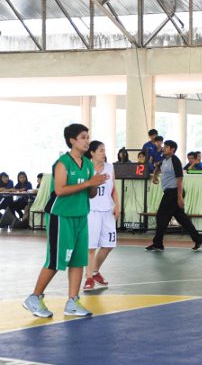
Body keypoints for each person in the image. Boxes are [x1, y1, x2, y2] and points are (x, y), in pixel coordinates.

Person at [23, 123, 108, 318]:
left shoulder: (87, 164)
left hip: (80, 216)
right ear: (72, 140)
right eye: (83, 137)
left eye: (88, 137)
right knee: (55, 260)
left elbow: (91, 194)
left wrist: (96, 184)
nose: (87, 141)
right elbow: (60, 190)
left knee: (78, 261)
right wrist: (88, 182)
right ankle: (34, 297)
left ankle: (72, 302)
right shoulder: (63, 163)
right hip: (60, 216)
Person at [145, 140, 202, 252]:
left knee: (161, 216)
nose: (163, 148)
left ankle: (158, 243)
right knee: (182, 219)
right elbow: (158, 166)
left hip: (174, 192)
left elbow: (179, 179)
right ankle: (199, 239)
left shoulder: (175, 161)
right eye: (164, 146)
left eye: (166, 147)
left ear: (172, 149)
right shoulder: (164, 159)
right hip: (169, 192)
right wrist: (155, 176)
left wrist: (179, 197)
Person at [83, 141, 120, 292]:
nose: (103, 153)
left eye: (104, 150)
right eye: (100, 150)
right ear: (92, 153)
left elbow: (114, 189)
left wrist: (117, 205)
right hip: (91, 211)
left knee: (109, 245)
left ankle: (95, 271)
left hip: (107, 211)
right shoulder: (86, 168)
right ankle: (89, 278)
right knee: (91, 247)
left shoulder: (110, 167)